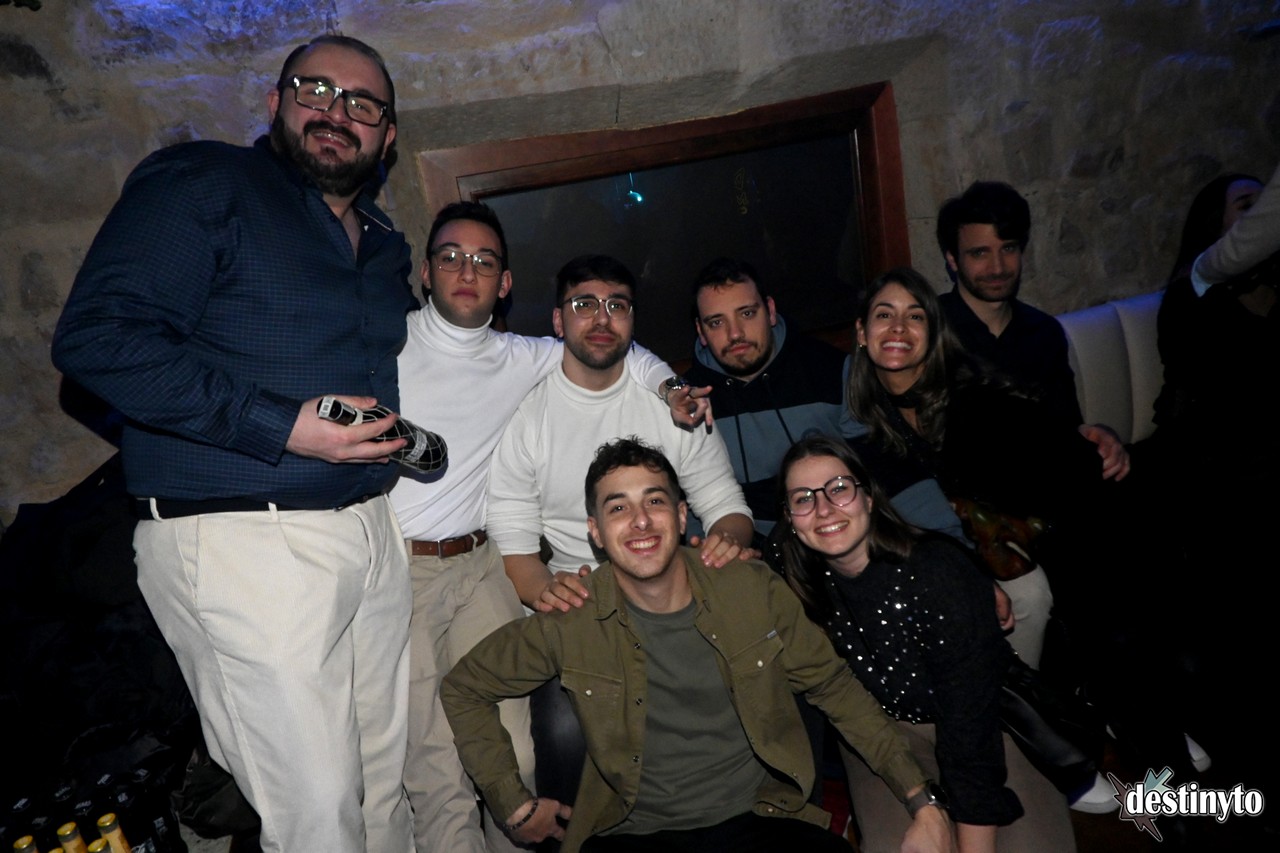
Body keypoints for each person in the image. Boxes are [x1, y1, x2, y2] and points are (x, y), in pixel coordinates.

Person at [52, 35, 414, 852]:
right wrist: (282, 425)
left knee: (384, 790)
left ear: (387, 136)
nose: (337, 112)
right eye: (316, 89)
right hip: (245, 536)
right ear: (276, 102)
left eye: (362, 103)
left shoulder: (383, 242)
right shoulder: (206, 182)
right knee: (316, 816)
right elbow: (99, 339)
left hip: (369, 530)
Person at [442, 438, 955, 853]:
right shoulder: (572, 617)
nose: (640, 521)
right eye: (618, 508)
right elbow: (464, 687)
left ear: (682, 514)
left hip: (762, 820)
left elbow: (835, 690)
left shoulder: (749, 588)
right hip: (632, 834)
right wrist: (513, 804)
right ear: (596, 532)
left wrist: (921, 801)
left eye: (655, 501)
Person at [391, 203, 707, 853]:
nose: (467, 272)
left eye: (484, 261)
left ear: (505, 282)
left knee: (517, 751)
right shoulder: (386, 344)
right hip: (403, 568)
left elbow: (624, 350)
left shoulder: (525, 357)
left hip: (483, 561)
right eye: (451, 257)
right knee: (437, 764)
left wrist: (671, 387)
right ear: (426, 271)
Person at [844, 266, 1205, 780]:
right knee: (1114, 648)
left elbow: (1062, 465)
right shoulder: (862, 411)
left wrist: (1099, 438)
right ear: (862, 331)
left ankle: (1154, 757)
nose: (899, 328)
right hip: (1041, 534)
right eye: (885, 315)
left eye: (915, 316)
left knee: (1120, 640)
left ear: (933, 332)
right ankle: (1133, 732)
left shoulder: (969, 399)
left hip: (1085, 521)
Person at [775, 436, 1076, 853]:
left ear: (868, 498)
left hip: (986, 722)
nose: (824, 509)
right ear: (789, 518)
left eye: (839, 488)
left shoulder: (936, 571)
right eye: (803, 499)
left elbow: (970, 730)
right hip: (883, 735)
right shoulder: (796, 580)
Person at [487, 254, 753, 615]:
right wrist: (548, 591)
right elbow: (513, 543)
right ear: (558, 321)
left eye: (617, 306)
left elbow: (725, 504)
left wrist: (726, 543)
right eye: (584, 305)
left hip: (671, 590)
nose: (602, 318)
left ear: (632, 320)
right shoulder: (526, 412)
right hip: (578, 598)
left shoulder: (676, 404)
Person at [683, 257, 963, 543]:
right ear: (701, 331)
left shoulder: (831, 371)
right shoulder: (688, 403)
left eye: (746, 313)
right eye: (716, 322)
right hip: (753, 552)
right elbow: (692, 502)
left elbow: (887, 466)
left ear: (770, 311)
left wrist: (951, 543)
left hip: (838, 536)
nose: (735, 333)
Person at [935, 181, 1129, 480]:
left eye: (1008, 248)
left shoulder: (1043, 331)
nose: (998, 267)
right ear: (952, 260)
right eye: (979, 253)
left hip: (1044, 486)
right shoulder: (930, 330)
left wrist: (1101, 435)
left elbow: (1066, 424)